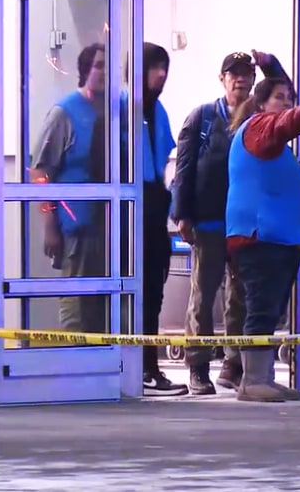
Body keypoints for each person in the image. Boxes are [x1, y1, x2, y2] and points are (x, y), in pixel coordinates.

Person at [171, 51, 292, 395]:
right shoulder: (202, 117)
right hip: (208, 222)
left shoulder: (258, 115)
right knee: (203, 294)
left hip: (244, 223)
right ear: (222, 79)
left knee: (240, 297)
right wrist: (182, 214)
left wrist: (271, 65)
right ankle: (197, 367)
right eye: (234, 74)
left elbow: (287, 96)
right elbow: (184, 168)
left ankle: (234, 364)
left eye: (247, 74)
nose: (240, 80)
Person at [226, 77, 300, 403]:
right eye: (279, 97)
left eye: (289, 98)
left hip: (278, 240)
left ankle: (264, 377)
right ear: (260, 105)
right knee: (260, 308)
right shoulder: (258, 128)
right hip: (261, 238)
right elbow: (286, 122)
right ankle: (253, 380)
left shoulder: (274, 145)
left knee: (269, 311)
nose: (286, 104)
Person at [121, 42, 189, 396]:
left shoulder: (156, 110)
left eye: (165, 68)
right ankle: (139, 370)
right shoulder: (121, 106)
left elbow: (163, 161)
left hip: (152, 209)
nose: (161, 75)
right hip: (126, 212)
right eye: (154, 67)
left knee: (153, 293)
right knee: (135, 294)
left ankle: (149, 368)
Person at [30, 42, 111, 335]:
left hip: (111, 229)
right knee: (77, 305)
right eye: (98, 65)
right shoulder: (64, 113)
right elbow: (39, 170)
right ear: (85, 70)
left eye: (109, 66)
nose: (104, 72)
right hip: (76, 225)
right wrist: (49, 224)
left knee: (106, 306)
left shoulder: (118, 112)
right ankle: (76, 361)